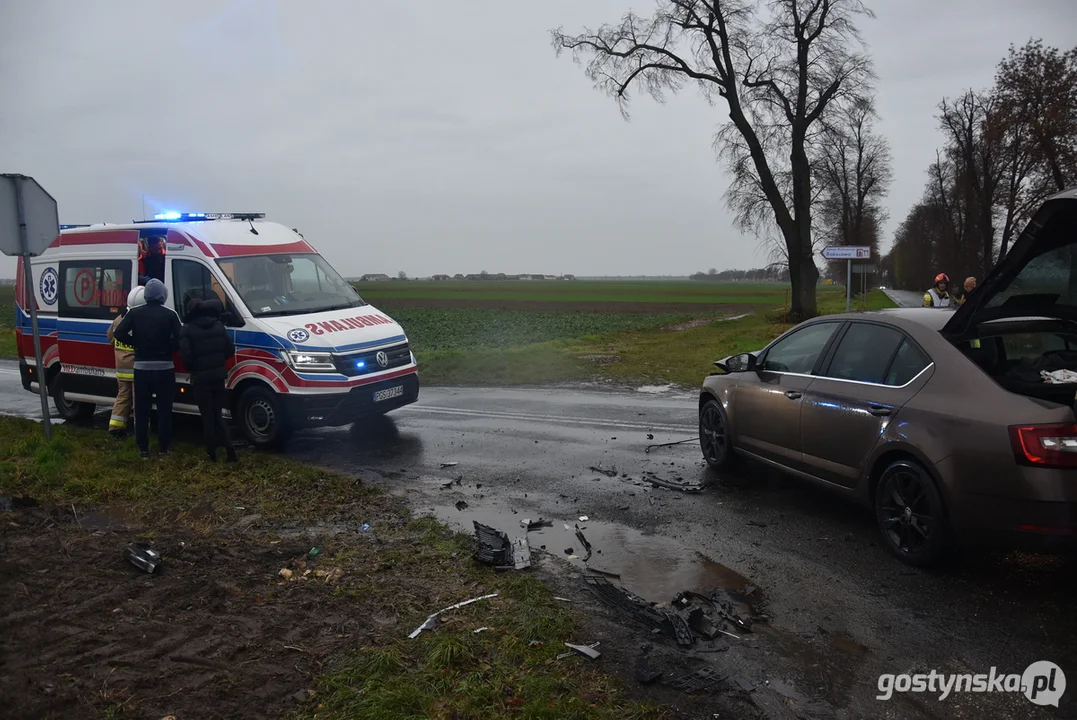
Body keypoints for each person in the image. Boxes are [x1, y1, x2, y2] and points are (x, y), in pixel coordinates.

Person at [114, 278, 182, 459]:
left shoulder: (135, 313)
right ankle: (164, 448)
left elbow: (118, 333)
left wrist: (136, 343)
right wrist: (170, 347)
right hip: (165, 369)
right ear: (163, 295)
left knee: (142, 411)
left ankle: (143, 449)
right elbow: (181, 338)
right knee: (164, 410)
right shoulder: (170, 314)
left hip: (142, 369)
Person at [179, 298, 238, 462]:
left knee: (207, 417)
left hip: (200, 379)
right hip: (218, 377)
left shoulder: (187, 329)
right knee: (218, 415)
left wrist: (194, 368)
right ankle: (230, 451)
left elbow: (186, 356)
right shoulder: (218, 325)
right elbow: (230, 349)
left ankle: (211, 454)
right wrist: (218, 362)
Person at [104, 285, 145, 438]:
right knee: (139, 400)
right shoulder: (140, 322)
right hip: (136, 368)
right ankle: (140, 431)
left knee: (123, 397)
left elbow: (110, 338)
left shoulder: (118, 320)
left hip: (121, 368)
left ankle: (115, 429)